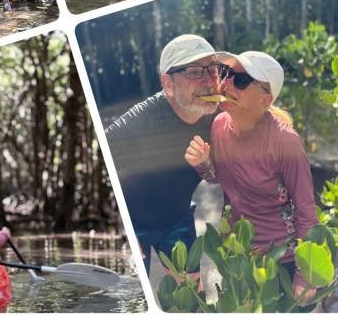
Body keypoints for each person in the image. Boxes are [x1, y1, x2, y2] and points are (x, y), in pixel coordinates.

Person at [184, 51, 319, 305]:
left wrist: (305, 275)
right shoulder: (219, 125)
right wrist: (203, 165)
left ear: (265, 99)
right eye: (227, 74)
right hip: (241, 255)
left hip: (283, 260)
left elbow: (306, 209)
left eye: (242, 80)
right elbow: (221, 181)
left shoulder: (285, 142)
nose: (226, 84)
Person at [104, 34, 228, 275]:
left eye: (214, 70)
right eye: (194, 72)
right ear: (168, 84)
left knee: (191, 299)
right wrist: (126, 228)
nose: (210, 81)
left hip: (178, 217)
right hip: (136, 224)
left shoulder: (221, 117)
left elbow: (223, 175)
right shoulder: (137, 123)